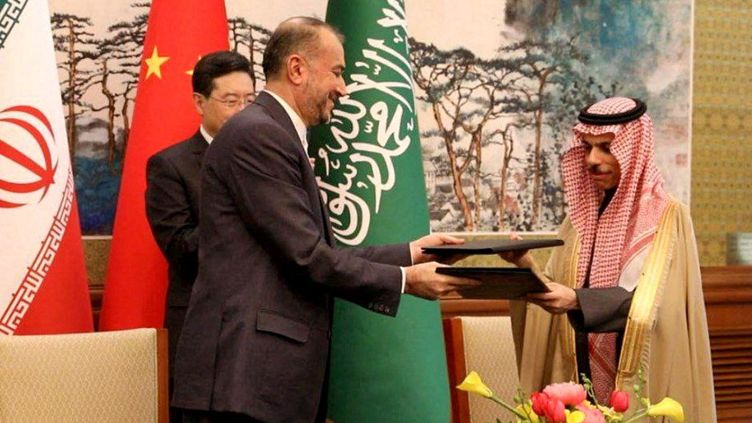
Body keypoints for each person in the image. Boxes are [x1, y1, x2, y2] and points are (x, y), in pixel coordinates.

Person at [171, 17, 477, 423]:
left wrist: (412, 252)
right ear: (297, 69)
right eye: (336, 72)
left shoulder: (272, 132)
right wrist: (405, 280)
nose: (343, 87)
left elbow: (317, 250)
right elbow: (307, 256)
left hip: (260, 382)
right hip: (243, 381)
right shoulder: (259, 135)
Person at [501, 97, 715, 420]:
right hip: (579, 401)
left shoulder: (669, 219)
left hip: (641, 395)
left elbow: (655, 312)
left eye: (606, 147)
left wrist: (576, 301)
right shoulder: (578, 219)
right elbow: (551, 303)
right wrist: (525, 265)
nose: (592, 160)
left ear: (634, 149)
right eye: (586, 147)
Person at [145, 51, 254, 423]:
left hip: (263, 335)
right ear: (199, 102)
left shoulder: (271, 161)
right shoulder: (170, 166)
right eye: (230, 101)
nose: (243, 110)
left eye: (249, 100)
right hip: (202, 336)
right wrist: (242, 210)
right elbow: (181, 248)